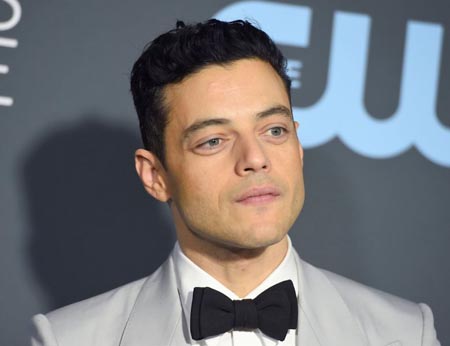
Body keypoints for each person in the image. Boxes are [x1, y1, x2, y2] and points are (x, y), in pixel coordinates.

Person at [30, 19, 440, 346]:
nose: (255, 159)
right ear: (155, 176)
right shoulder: (68, 339)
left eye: (274, 131)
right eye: (213, 140)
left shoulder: (406, 333)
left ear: (298, 147)